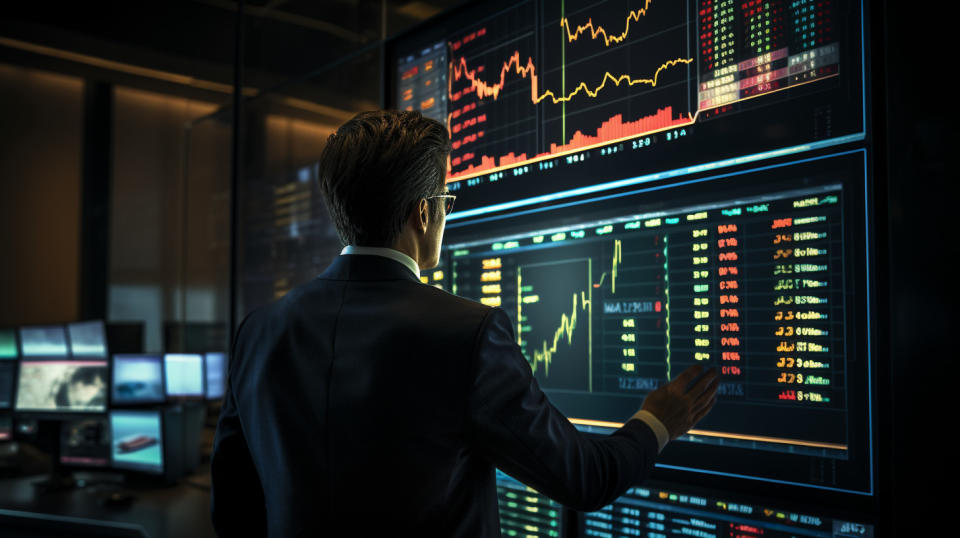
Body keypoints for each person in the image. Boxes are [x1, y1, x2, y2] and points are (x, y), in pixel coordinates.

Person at [210, 110, 719, 537]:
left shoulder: (259, 330)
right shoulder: (465, 333)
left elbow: (231, 510)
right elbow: (583, 478)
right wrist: (658, 421)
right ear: (424, 214)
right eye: (447, 202)